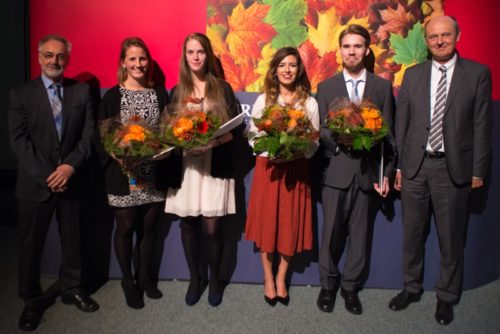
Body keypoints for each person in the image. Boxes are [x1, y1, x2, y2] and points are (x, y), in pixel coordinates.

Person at [390, 16, 492, 325]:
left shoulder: (477, 74)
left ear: (457, 35)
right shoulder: (413, 74)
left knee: (451, 238)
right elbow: (402, 123)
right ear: (427, 40)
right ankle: (411, 287)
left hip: (454, 169)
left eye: (445, 35)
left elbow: (481, 126)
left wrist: (478, 170)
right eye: (433, 37)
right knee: (412, 234)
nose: (439, 41)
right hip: (415, 169)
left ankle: (446, 296)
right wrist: (399, 166)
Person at [8, 34, 99, 331]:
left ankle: (72, 288)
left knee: (73, 240)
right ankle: (31, 301)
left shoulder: (82, 92)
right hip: (35, 185)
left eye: (60, 56)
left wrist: (69, 167)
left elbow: (88, 137)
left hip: (73, 180)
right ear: (39, 57)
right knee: (30, 246)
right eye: (48, 55)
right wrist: (50, 175)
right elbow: (20, 143)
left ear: (67, 59)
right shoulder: (21, 95)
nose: (54, 61)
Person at [315, 24, 396, 315]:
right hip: (335, 171)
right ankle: (328, 285)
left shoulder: (382, 87)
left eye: (358, 46)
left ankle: (350, 288)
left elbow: (389, 136)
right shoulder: (326, 87)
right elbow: (321, 130)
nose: (352, 51)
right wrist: (338, 139)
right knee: (331, 234)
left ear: (366, 50)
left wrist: (386, 174)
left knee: (360, 235)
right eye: (347, 46)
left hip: (367, 173)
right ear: (340, 50)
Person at [164, 32, 241, 307]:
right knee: (188, 224)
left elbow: (236, 129)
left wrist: (213, 141)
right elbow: (167, 131)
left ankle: (215, 280)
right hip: (187, 167)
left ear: (207, 54)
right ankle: (195, 279)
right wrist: (183, 141)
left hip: (214, 165)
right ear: (185, 57)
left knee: (211, 229)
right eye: (190, 52)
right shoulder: (177, 92)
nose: (195, 57)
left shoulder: (222, 89)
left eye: (200, 52)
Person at [98, 37, 170, 309]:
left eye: (142, 59)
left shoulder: (159, 93)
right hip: (123, 173)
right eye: (133, 59)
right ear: (123, 63)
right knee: (126, 227)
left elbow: (167, 129)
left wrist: (166, 146)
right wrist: (115, 153)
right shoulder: (112, 96)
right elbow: (102, 135)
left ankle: (145, 277)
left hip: (153, 172)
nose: (139, 64)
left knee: (149, 227)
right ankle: (128, 280)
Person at [245, 47, 319, 306]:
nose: (287, 69)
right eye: (282, 65)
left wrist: (294, 152)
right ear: (275, 70)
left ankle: (281, 278)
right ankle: (267, 279)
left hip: (296, 170)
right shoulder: (264, 100)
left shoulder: (309, 103)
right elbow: (253, 138)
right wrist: (273, 152)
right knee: (268, 225)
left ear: (299, 70)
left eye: (292, 65)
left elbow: (313, 144)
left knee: (290, 225)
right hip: (269, 170)